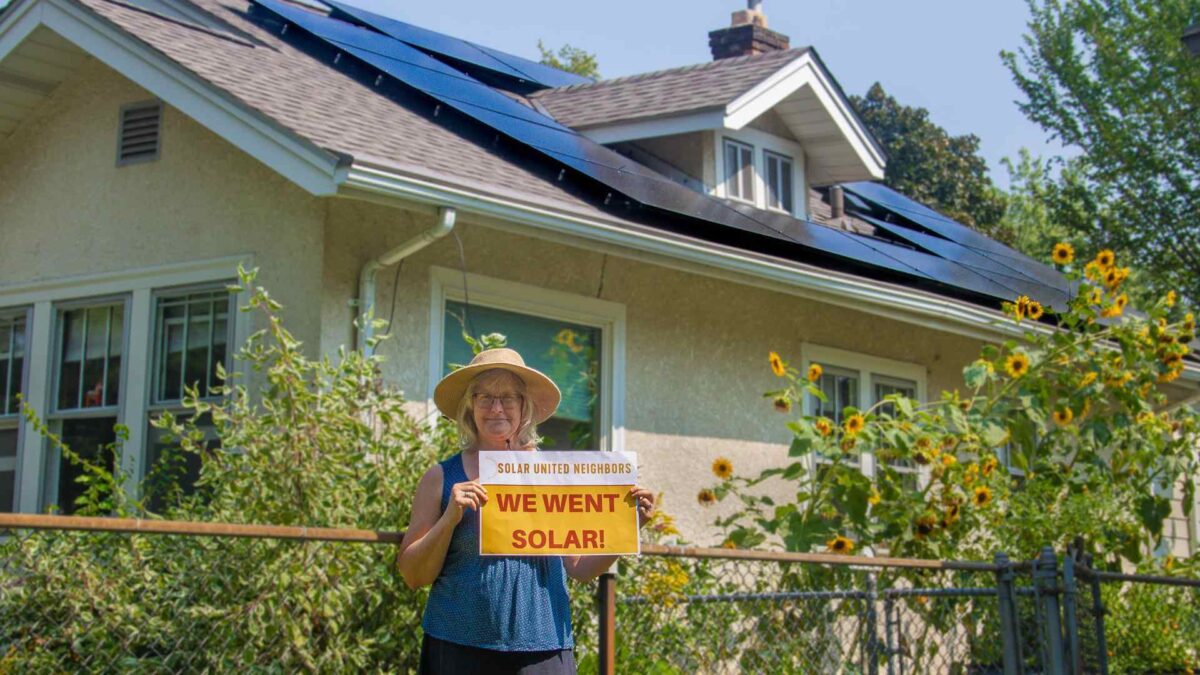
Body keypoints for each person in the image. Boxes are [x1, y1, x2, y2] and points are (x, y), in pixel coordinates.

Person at [398, 348, 655, 674]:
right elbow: (413, 574)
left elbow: (579, 569)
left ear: (524, 407)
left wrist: (628, 526)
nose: (496, 407)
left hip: (544, 645)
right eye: (484, 397)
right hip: (457, 643)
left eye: (508, 397)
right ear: (470, 406)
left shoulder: (555, 476)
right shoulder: (441, 478)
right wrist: (449, 519)